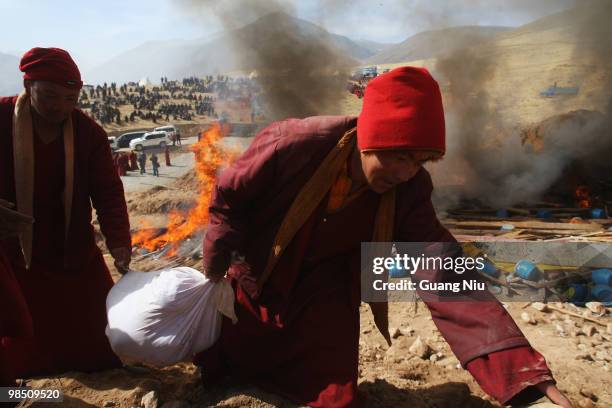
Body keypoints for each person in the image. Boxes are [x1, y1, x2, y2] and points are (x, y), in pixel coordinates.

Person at [195, 67, 572, 408]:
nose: (408, 172)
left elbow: (442, 270)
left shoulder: (410, 191)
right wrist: (215, 265)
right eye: (401, 157)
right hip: (260, 276)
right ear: (369, 140)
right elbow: (230, 200)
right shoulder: (292, 144)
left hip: (328, 294)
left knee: (333, 397)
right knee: (235, 365)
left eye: (420, 161)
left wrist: (522, 377)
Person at [0, 47, 132, 381]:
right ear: (28, 86)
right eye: (49, 96)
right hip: (14, 252)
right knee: (18, 341)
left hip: (71, 250)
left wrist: (118, 242)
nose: (59, 107)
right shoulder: (0, 119)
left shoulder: (88, 134)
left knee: (97, 340)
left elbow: (108, 192)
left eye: (70, 98)